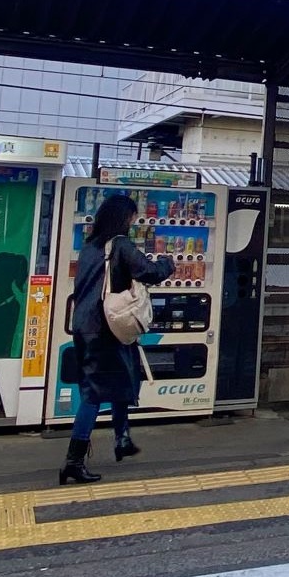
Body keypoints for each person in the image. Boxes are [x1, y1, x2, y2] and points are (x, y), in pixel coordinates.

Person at [59, 194, 175, 485]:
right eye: (132, 217)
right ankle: (73, 462)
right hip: (106, 329)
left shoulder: (89, 247)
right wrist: (167, 263)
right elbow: (147, 271)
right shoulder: (120, 245)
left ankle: (122, 438)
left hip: (88, 327)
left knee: (124, 380)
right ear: (123, 218)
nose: (134, 221)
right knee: (93, 395)